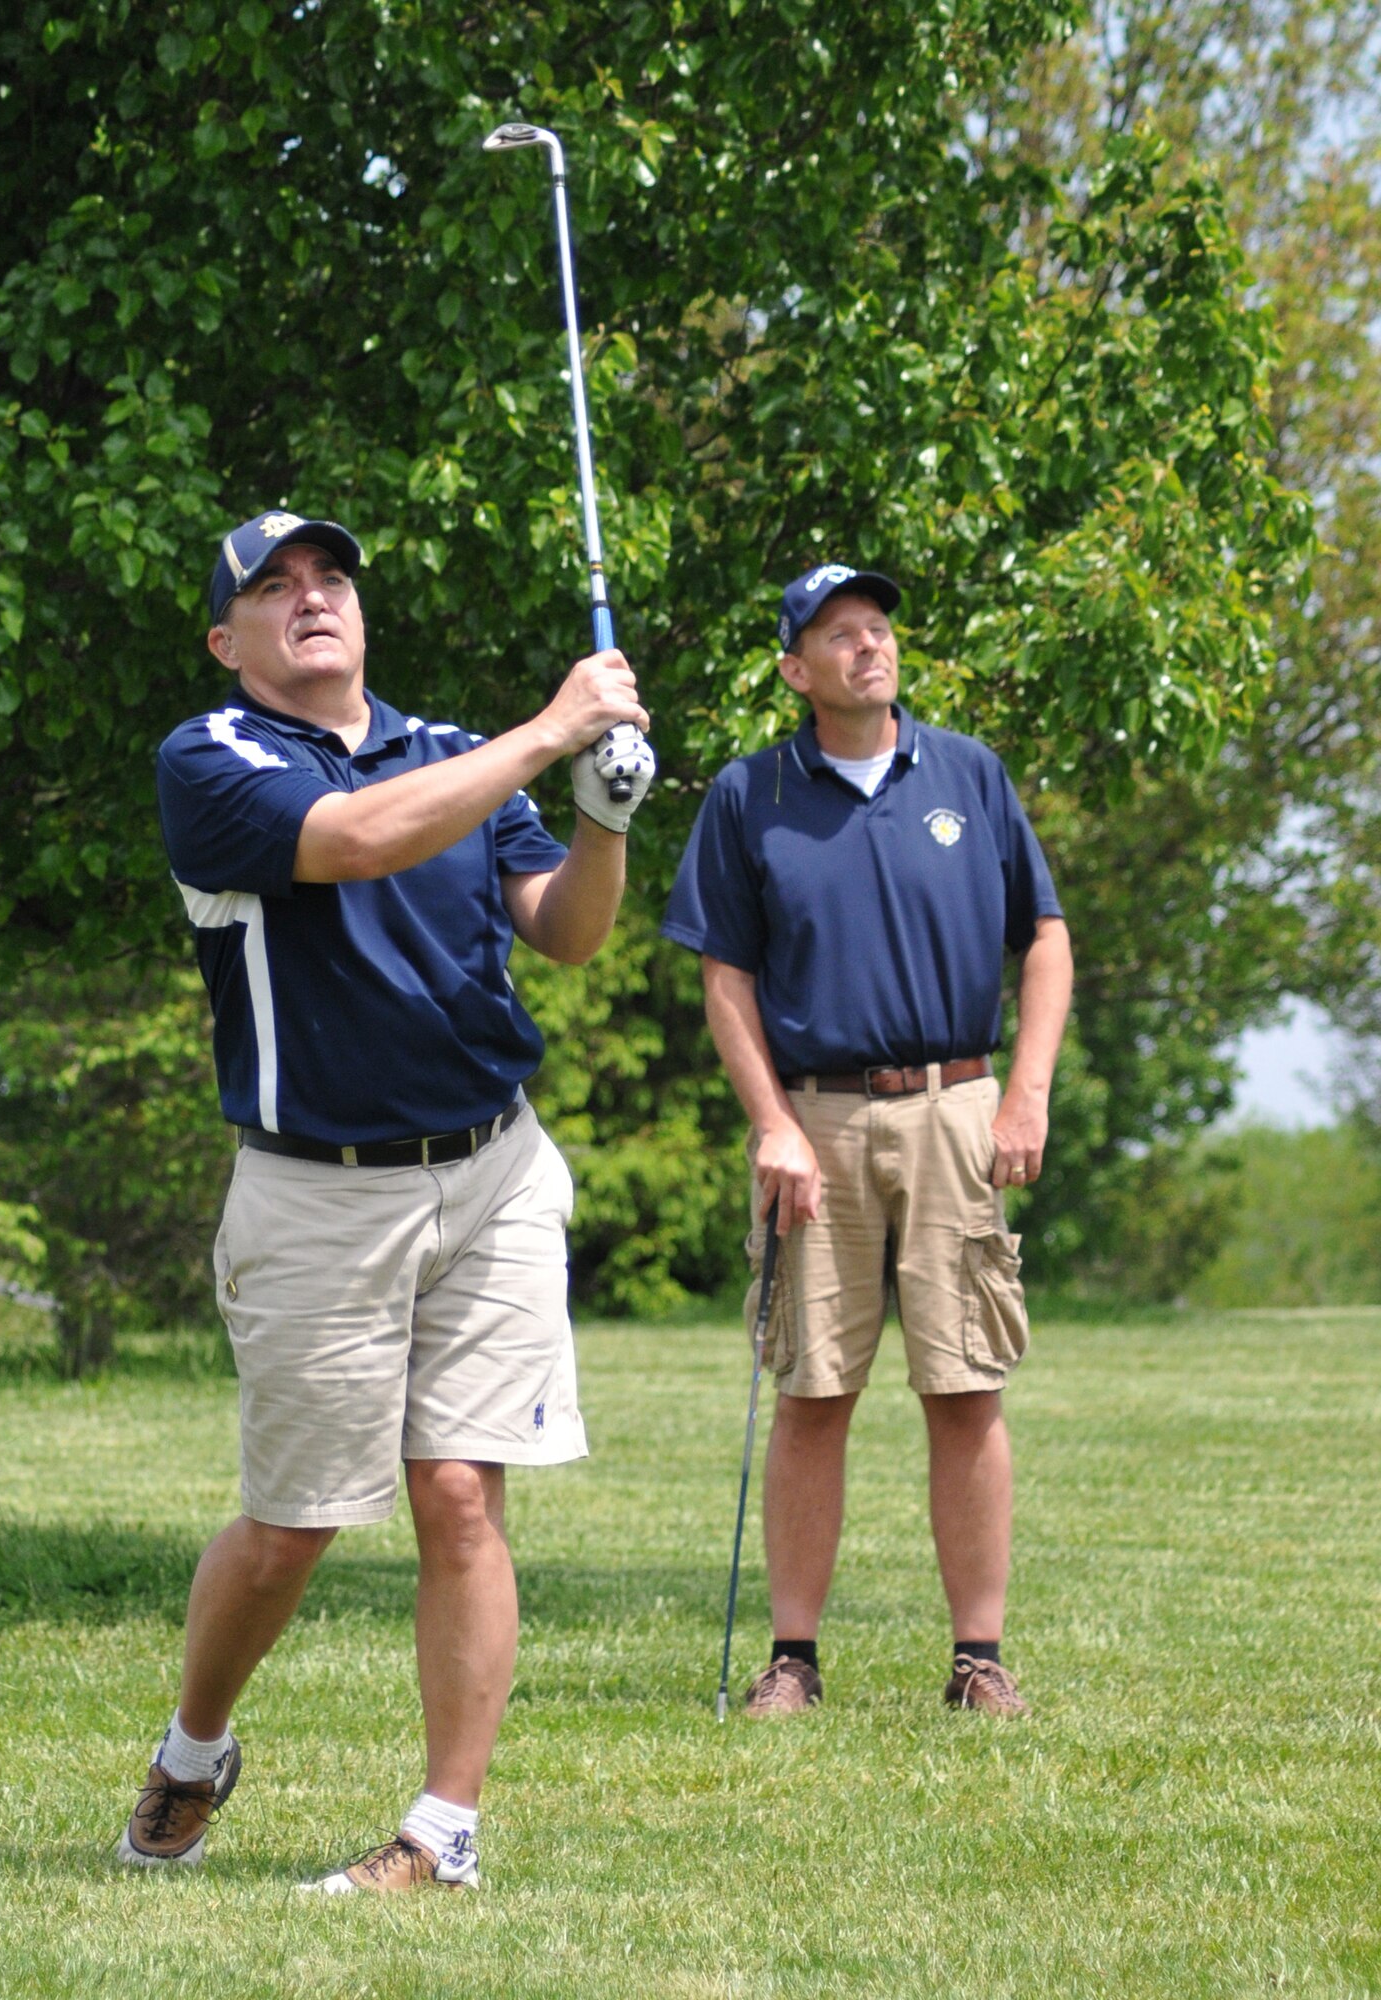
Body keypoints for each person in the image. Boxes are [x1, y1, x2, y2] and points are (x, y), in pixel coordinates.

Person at [119, 508, 653, 1891]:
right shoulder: (212, 758)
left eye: (331, 578)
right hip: (316, 1193)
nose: (312, 598)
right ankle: (194, 1746)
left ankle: (442, 1832)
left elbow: (570, 936)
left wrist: (604, 816)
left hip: (494, 1167)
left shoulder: (453, 753)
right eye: (273, 587)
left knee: (463, 1495)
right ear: (224, 637)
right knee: (294, 1521)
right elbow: (350, 841)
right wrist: (547, 733)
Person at [662, 559, 1072, 1719]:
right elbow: (724, 972)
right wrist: (770, 1122)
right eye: (839, 633)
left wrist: (1024, 1092)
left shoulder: (967, 774)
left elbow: (1041, 938)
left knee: (966, 1385)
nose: (867, 645)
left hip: (956, 1104)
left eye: (877, 627)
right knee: (812, 1388)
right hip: (817, 1117)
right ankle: (792, 1658)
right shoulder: (752, 795)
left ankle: (977, 1658)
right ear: (798, 670)